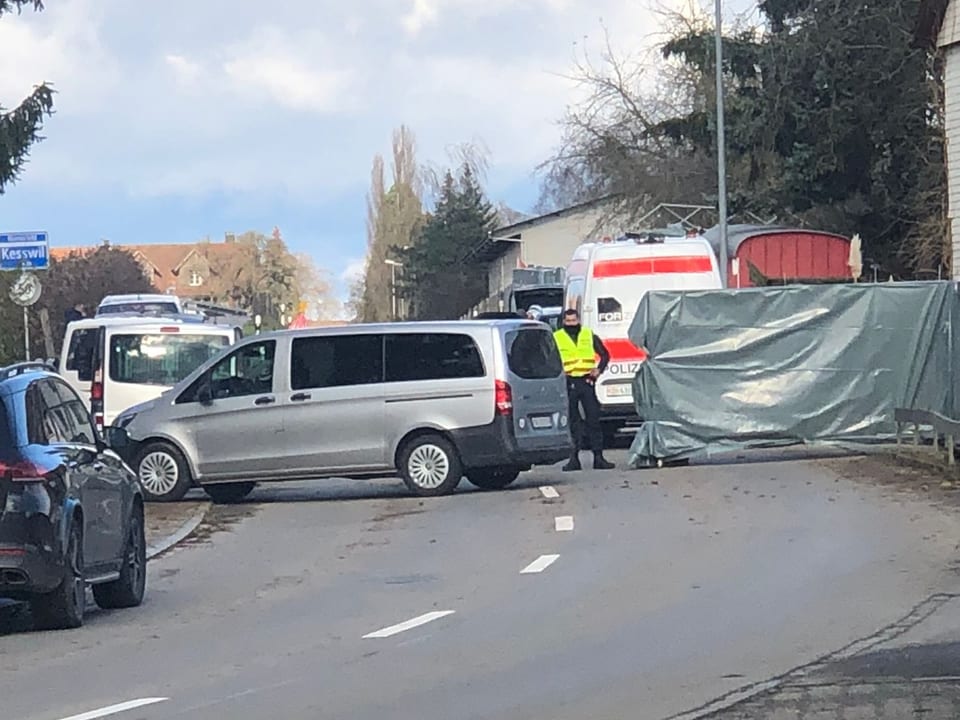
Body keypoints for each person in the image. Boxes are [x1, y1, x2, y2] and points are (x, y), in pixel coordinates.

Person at [553, 308, 615, 471]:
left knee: (593, 420)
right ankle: (573, 459)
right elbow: (549, 358)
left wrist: (599, 370)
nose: (571, 324)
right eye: (568, 321)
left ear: (579, 320)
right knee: (573, 423)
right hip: (568, 382)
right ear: (564, 322)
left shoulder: (588, 335)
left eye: (574, 321)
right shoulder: (557, 338)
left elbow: (605, 354)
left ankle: (599, 458)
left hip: (587, 381)